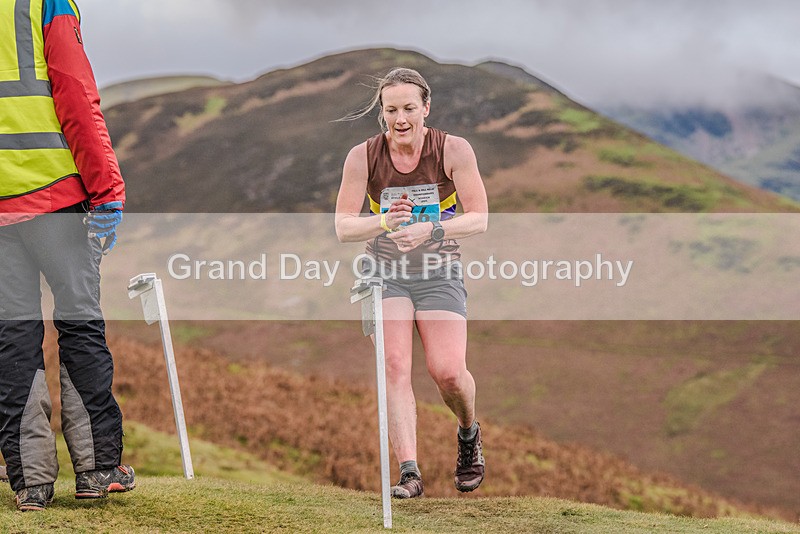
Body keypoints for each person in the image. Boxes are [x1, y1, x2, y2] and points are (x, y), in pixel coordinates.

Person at [0, 0, 134, 511]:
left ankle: (30, 481)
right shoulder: (46, 2)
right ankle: (97, 469)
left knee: (13, 337)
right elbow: (75, 95)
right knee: (79, 325)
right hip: (57, 197)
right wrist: (107, 189)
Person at [335, 68, 489, 498]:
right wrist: (384, 221)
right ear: (381, 113)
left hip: (439, 271)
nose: (400, 119)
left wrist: (432, 230)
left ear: (426, 108)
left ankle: (468, 434)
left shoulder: (453, 150)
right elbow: (343, 227)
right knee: (394, 366)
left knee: (448, 373)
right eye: (390, 110)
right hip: (385, 274)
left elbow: (479, 218)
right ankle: (409, 472)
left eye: (408, 108)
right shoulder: (362, 156)